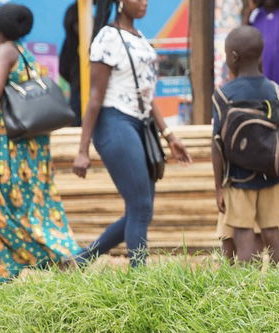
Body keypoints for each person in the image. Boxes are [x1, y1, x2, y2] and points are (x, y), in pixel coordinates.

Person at [0, 3, 78, 286]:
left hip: (6, 144)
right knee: (29, 204)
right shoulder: (25, 53)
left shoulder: (4, 51)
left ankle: (55, 254)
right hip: (30, 146)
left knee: (0, 206)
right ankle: (4, 272)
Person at [71, 0, 191, 268]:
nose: (145, 2)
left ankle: (82, 259)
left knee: (141, 209)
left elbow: (147, 94)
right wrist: (82, 149)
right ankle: (139, 279)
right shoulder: (107, 37)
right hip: (114, 122)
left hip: (141, 125)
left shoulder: (140, 38)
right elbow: (95, 97)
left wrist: (170, 136)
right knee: (141, 206)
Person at [212, 26, 279, 267]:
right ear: (260, 56)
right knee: (272, 233)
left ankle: (247, 286)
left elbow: (217, 145)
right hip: (271, 177)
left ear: (233, 57)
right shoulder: (275, 91)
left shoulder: (224, 95)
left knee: (243, 234)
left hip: (238, 178)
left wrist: (219, 187)